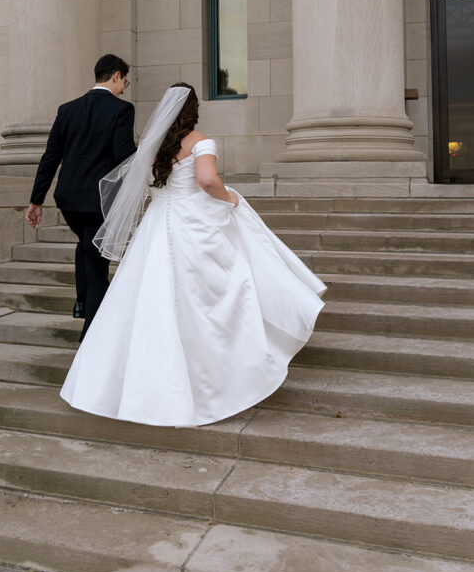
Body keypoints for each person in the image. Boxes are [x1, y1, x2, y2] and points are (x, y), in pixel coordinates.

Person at [61, 83, 326, 427]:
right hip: (190, 226)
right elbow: (206, 179)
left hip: (157, 225)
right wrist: (229, 197)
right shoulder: (202, 142)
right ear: (194, 110)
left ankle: (118, 389)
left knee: (144, 301)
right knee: (210, 298)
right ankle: (216, 378)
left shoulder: (154, 146)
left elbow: (149, 186)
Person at [26, 54, 136, 340]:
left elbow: (50, 157)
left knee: (86, 245)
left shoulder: (67, 109)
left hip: (68, 198)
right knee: (97, 260)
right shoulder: (122, 110)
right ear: (115, 76)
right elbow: (124, 156)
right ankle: (91, 334)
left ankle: (82, 301)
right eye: (125, 81)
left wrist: (36, 200)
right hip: (100, 198)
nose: (124, 88)